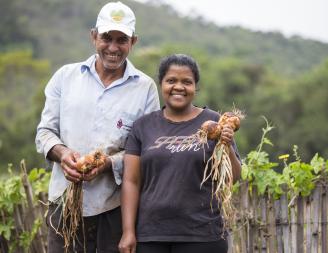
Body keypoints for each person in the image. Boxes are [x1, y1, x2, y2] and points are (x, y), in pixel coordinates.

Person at [35, 1, 160, 252]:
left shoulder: (145, 88)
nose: (113, 48)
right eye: (106, 38)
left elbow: (148, 150)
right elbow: (45, 132)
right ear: (94, 37)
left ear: (133, 42)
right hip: (63, 204)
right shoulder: (66, 77)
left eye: (121, 40)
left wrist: (108, 164)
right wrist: (63, 154)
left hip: (113, 210)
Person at [118, 54, 241, 253]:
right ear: (161, 84)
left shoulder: (215, 123)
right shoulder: (143, 126)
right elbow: (131, 181)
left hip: (202, 235)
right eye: (171, 81)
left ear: (196, 87)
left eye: (187, 82)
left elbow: (232, 178)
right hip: (151, 235)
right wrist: (128, 231)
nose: (179, 87)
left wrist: (226, 145)